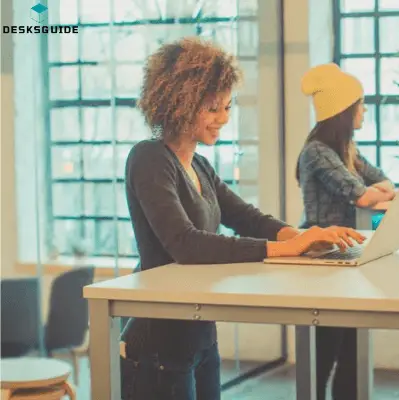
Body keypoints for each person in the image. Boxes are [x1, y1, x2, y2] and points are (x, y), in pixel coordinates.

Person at [120, 38, 363, 400]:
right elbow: (186, 244)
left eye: (227, 106)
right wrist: (287, 249)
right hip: (160, 341)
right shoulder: (149, 159)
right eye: (213, 108)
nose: (224, 118)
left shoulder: (199, 164)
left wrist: (305, 235)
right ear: (180, 104)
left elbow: (244, 216)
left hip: (199, 331)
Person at [296, 63, 396, 399]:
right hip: (323, 261)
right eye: (360, 104)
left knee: (352, 350)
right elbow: (364, 193)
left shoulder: (346, 151)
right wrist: (373, 192)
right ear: (343, 111)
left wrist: (375, 190)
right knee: (325, 352)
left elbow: (383, 181)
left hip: (346, 256)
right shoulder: (317, 153)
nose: (364, 110)